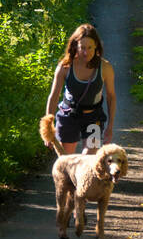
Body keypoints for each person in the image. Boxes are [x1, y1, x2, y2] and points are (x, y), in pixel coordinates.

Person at [44, 23, 116, 154]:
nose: (86, 52)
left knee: (88, 159)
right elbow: (54, 96)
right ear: (75, 46)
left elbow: (111, 97)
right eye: (82, 47)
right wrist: (48, 128)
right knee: (67, 161)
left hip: (94, 117)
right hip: (69, 116)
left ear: (96, 47)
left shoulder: (105, 68)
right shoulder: (64, 67)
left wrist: (110, 127)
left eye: (90, 48)